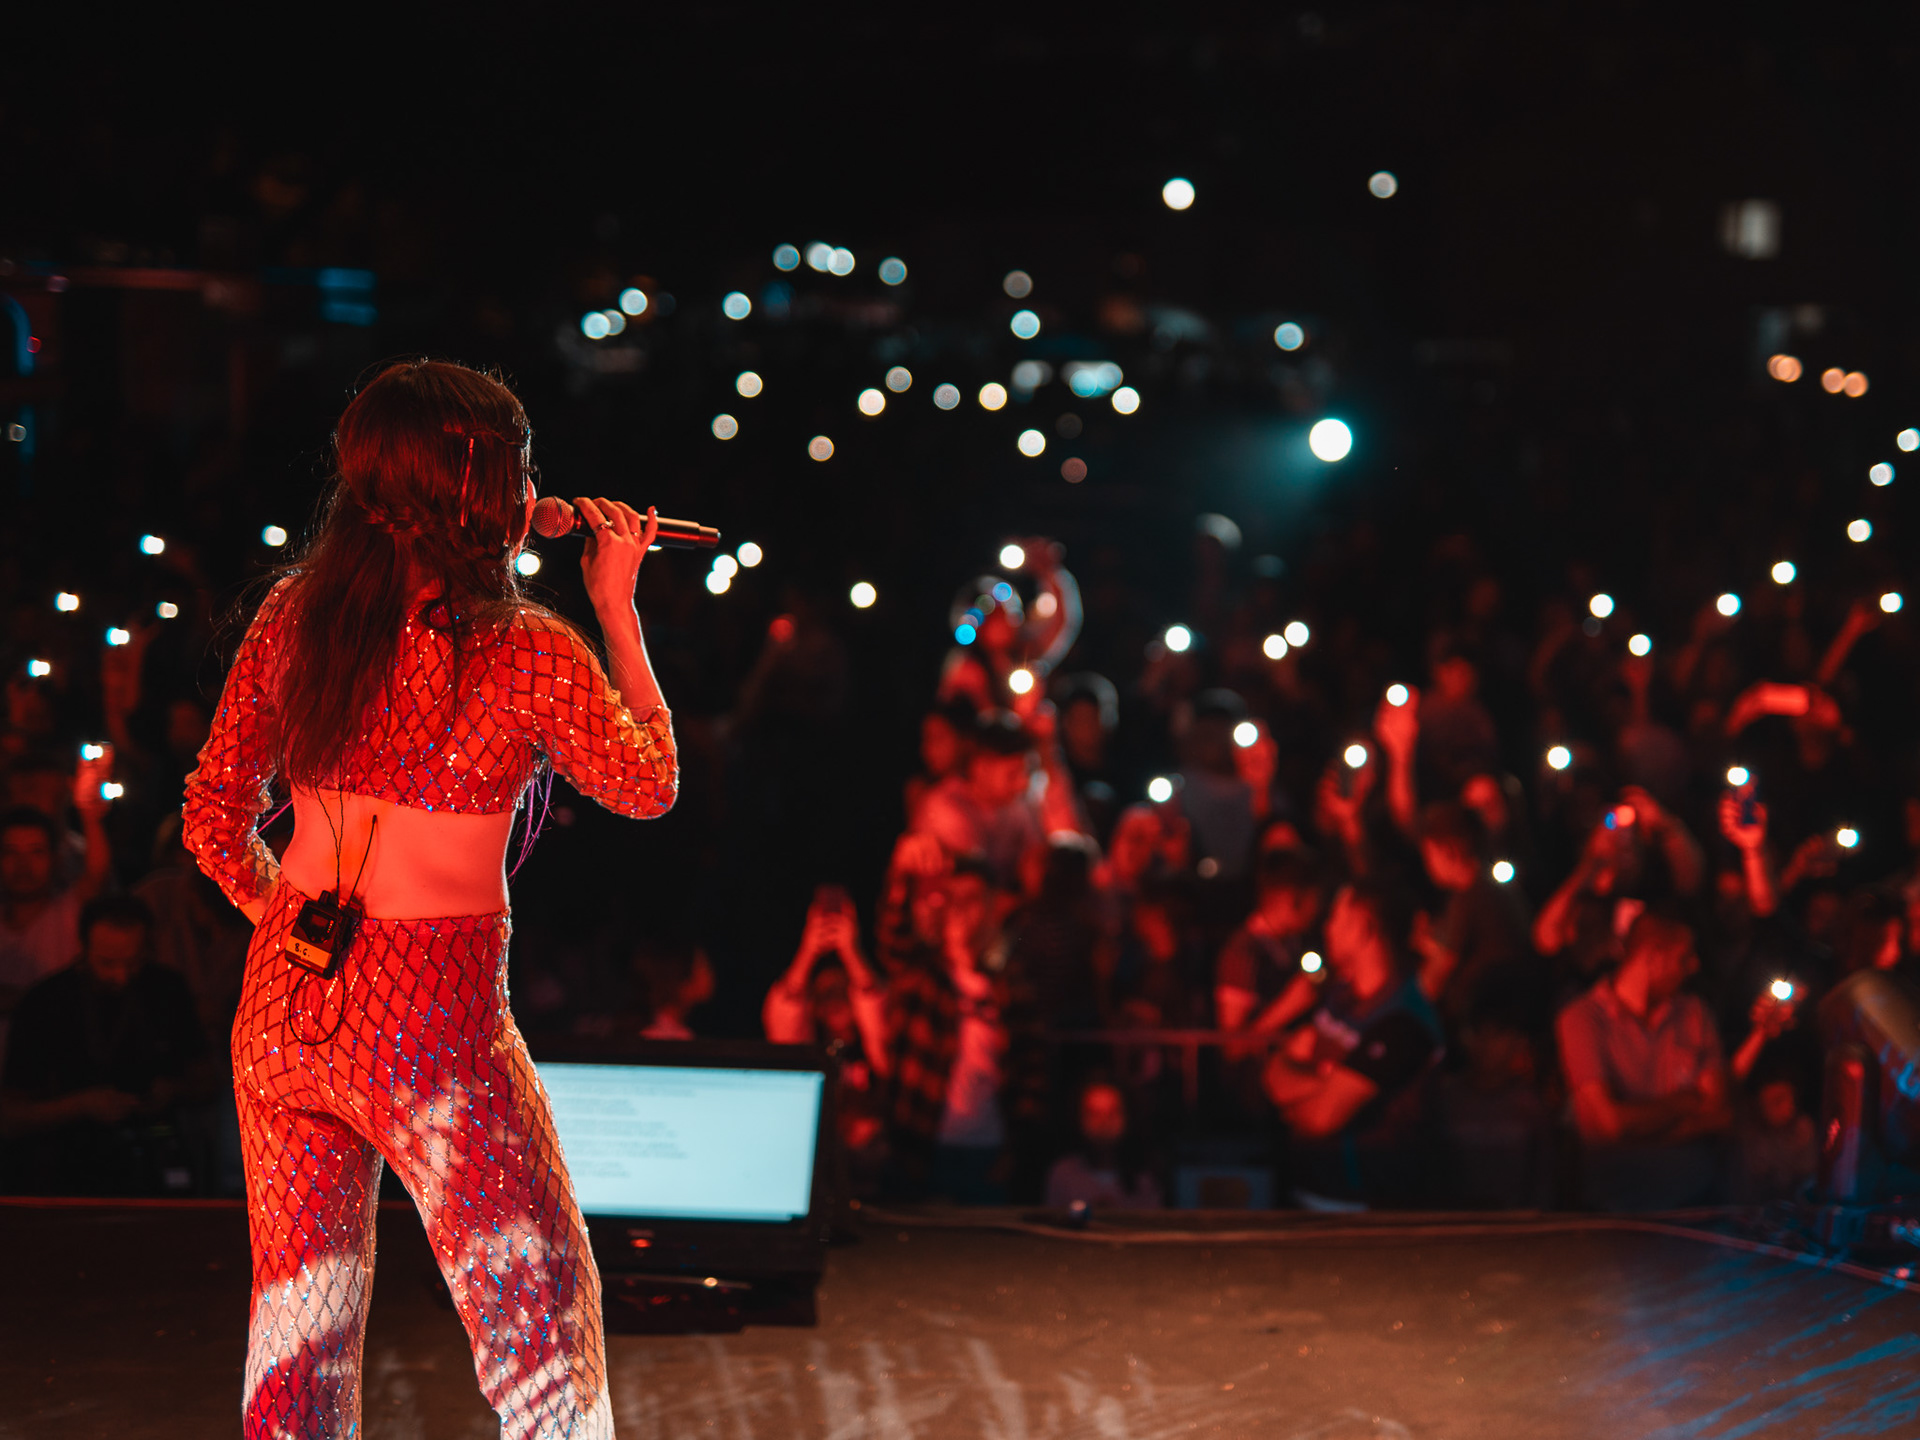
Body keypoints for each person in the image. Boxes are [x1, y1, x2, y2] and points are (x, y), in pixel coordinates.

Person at [180, 360, 677, 1439]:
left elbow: (213, 819)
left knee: (300, 1326)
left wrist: (295, 930)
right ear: (483, 493)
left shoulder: (294, 614)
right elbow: (647, 784)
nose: (534, 487)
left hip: (281, 1009)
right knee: (540, 1324)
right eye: (522, 468)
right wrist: (616, 606)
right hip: (428, 1027)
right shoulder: (525, 649)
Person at [0, 894, 213, 1194]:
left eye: (133, 962)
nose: (121, 975)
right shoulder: (46, 1002)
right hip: (65, 1170)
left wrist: (172, 1090)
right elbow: (10, 1117)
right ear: (83, 948)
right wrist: (80, 1106)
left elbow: (209, 1081)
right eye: (107, 963)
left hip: (153, 1164)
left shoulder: (166, 989)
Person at [1262, 883, 1443, 1205]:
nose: (1327, 928)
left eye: (1337, 918)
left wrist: (1297, 1089)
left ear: (1365, 929)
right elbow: (1273, 1073)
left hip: (1361, 1204)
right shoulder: (1341, 996)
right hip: (1308, 1187)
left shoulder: (1404, 1021)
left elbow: (1321, 1117)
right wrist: (1324, 1083)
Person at [1555, 909, 1731, 1209]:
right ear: (1652, 957)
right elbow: (1610, 1126)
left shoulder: (1694, 1013)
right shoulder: (1582, 1019)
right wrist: (1684, 1102)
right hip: (1614, 1209)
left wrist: (1635, 1131)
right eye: (1683, 957)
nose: (1694, 965)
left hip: (1695, 1203)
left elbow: (1719, 1114)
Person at [0, 775, 115, 1068]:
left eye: (36, 852)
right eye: (11, 852)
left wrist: (89, 816)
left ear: (55, 858)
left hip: (54, 1070)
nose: (23, 866)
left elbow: (96, 875)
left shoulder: (68, 914)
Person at [1043, 1078, 1161, 1211]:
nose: (1103, 1123)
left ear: (1128, 1117)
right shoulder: (1063, 1176)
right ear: (1078, 1118)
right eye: (1094, 1114)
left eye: (1112, 1113)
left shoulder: (1145, 1178)